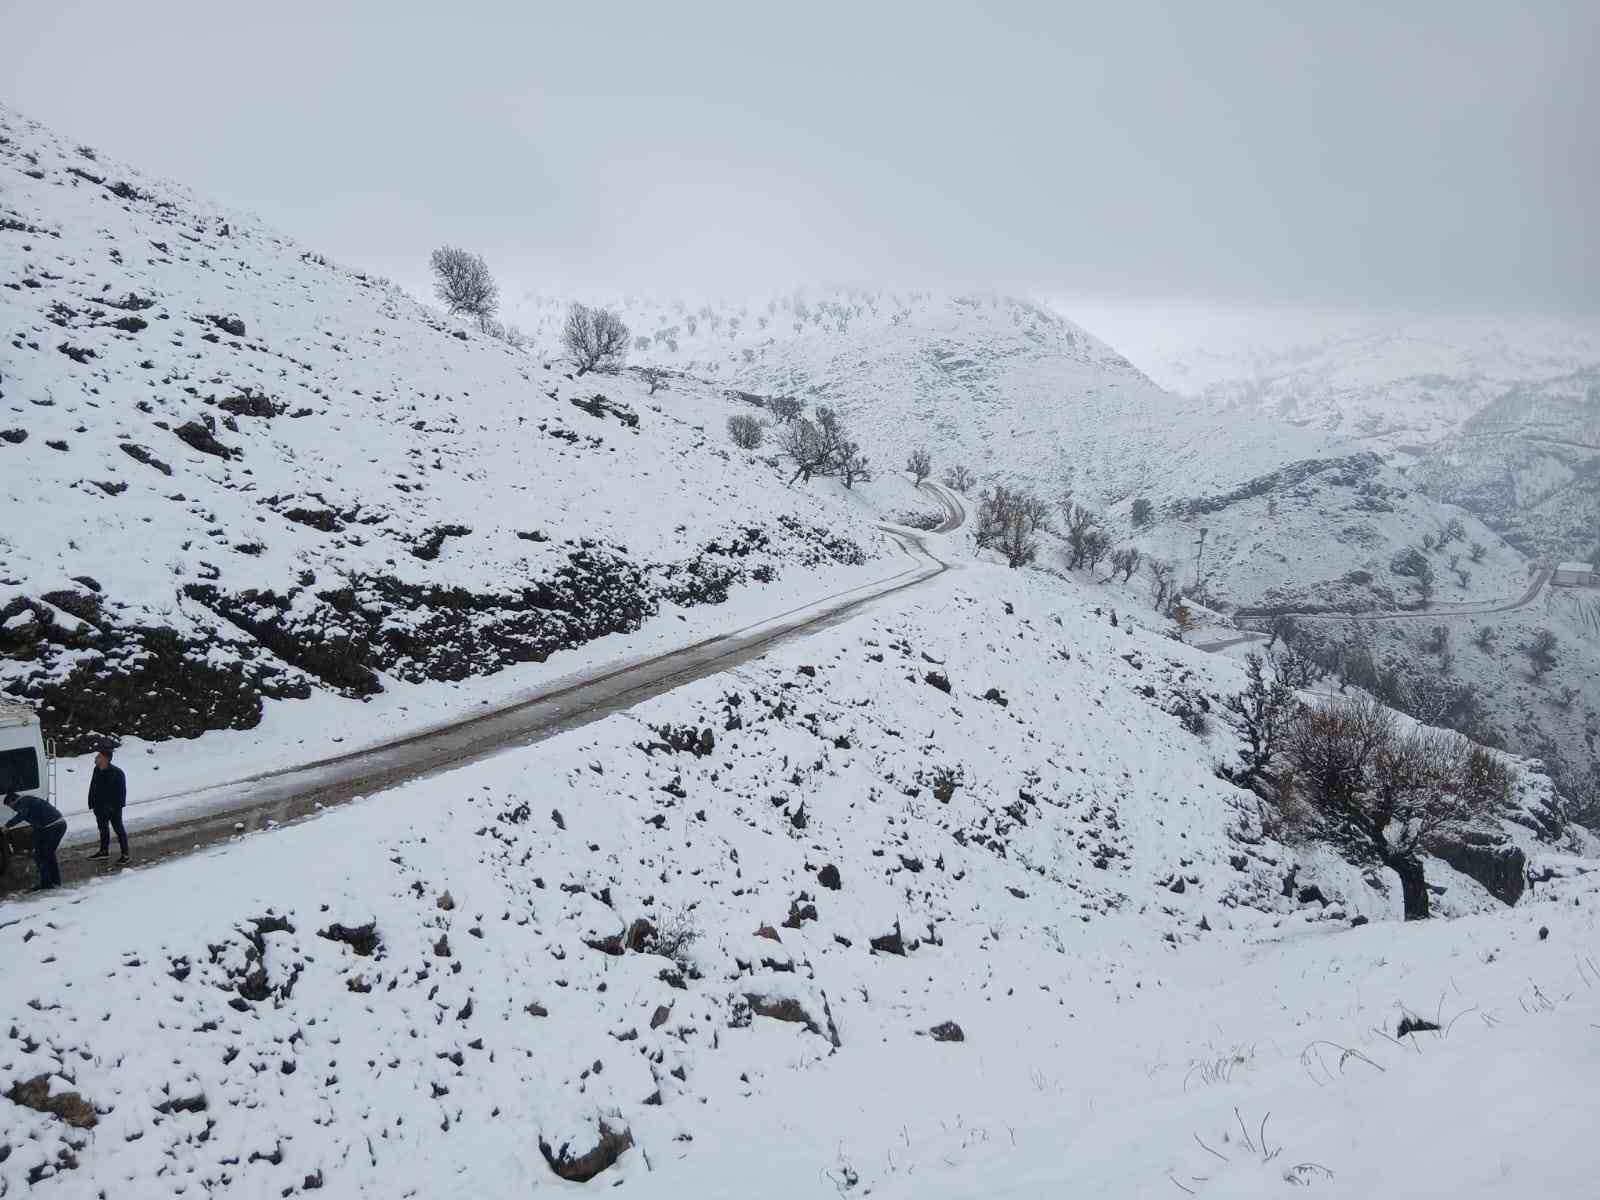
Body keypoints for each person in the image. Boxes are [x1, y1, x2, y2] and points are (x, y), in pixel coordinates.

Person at [3, 791, 67, 891]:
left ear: (13, 800)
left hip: (54, 827)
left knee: (42, 856)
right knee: (47, 855)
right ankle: (54, 881)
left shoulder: (23, 802)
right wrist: (34, 827)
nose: (11, 808)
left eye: (9, 805)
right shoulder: (28, 800)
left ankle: (47, 883)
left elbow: (22, 815)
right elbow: (38, 815)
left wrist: (7, 825)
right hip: (53, 826)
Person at [87, 745, 129, 864]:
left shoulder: (117, 773)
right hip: (99, 807)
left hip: (113, 808)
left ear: (105, 759)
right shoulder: (96, 770)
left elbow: (121, 793)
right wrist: (92, 803)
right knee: (103, 829)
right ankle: (103, 851)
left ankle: (125, 854)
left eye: (98, 757)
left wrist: (113, 807)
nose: (96, 758)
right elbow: (93, 787)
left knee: (118, 829)